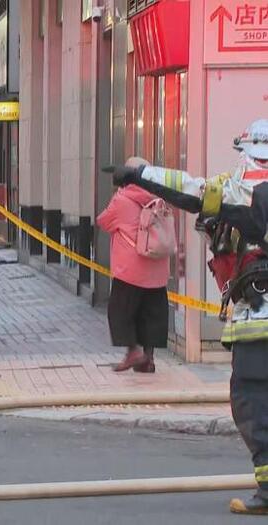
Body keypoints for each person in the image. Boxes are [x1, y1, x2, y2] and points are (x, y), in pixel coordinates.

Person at [105, 119, 268, 515]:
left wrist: (140, 173)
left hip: (259, 324)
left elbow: (192, 189)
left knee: (253, 400)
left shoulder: (246, 188)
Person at [96, 157, 170, 374]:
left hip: (130, 270)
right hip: (157, 269)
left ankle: (133, 351)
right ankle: (148, 358)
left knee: (121, 311)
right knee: (151, 313)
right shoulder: (160, 199)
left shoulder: (123, 199)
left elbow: (104, 221)